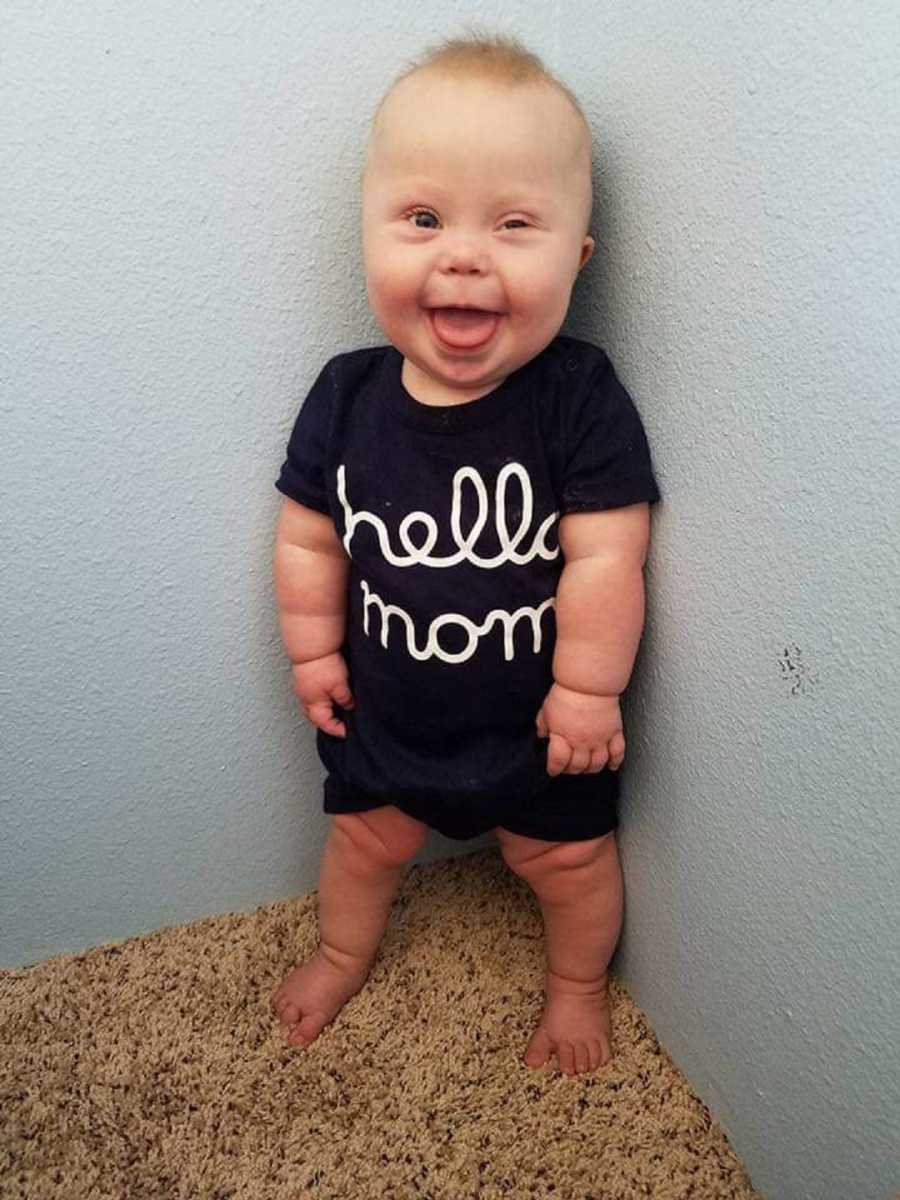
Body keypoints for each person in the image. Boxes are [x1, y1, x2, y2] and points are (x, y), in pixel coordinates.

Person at [269, 31, 661, 1076]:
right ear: (369, 235)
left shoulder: (577, 399)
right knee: (363, 846)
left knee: (571, 862)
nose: (463, 255)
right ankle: (343, 952)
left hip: (542, 735)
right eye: (424, 218)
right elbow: (310, 534)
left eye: (515, 224)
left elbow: (610, 552)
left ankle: (575, 986)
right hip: (390, 721)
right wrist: (313, 655)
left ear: (576, 257)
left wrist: (589, 688)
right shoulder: (346, 397)